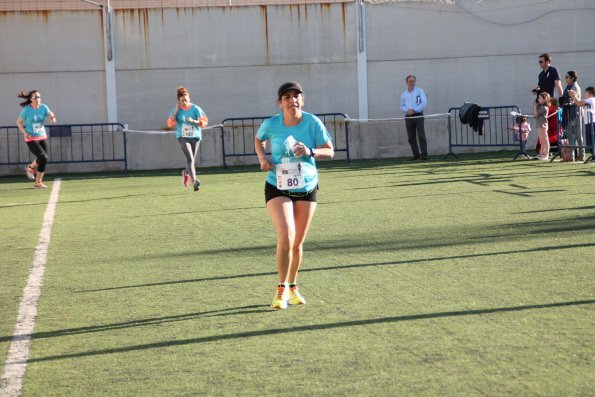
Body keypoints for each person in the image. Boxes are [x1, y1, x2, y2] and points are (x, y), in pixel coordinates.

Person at [254, 81, 334, 310]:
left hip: (307, 187)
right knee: (286, 234)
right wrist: (262, 158)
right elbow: (258, 139)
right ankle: (280, 290)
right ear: (280, 103)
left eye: (296, 96)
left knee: (297, 243)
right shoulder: (272, 124)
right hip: (277, 185)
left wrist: (310, 151)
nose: (292, 101)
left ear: (302, 99)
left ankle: (293, 286)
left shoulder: (312, 122)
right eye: (287, 97)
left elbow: (330, 150)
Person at [166, 86, 208, 191]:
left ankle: (185, 173)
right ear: (179, 101)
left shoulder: (196, 108)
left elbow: (204, 123)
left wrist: (194, 121)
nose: (184, 102)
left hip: (195, 136)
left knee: (192, 160)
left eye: (186, 100)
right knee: (190, 158)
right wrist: (176, 111)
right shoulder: (176, 110)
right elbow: (170, 123)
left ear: (189, 99)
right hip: (183, 137)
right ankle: (195, 181)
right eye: (182, 101)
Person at [16, 90, 56, 189]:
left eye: (39, 97)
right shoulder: (27, 110)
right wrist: (25, 133)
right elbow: (18, 122)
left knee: (42, 158)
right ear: (30, 99)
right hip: (30, 138)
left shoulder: (44, 107)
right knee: (44, 157)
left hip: (42, 136)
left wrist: (52, 117)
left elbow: (52, 119)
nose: (37, 99)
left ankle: (30, 169)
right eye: (35, 97)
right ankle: (38, 182)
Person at [400, 75, 428, 160]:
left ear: (415, 82)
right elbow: (402, 106)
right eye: (409, 81)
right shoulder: (404, 94)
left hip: (418, 115)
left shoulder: (420, 91)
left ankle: (424, 155)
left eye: (413, 81)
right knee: (411, 137)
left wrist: (414, 110)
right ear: (406, 82)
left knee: (421, 136)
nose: (411, 83)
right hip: (408, 117)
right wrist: (407, 110)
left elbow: (423, 103)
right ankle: (416, 155)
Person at [561, 71, 583, 161]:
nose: (565, 78)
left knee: (578, 136)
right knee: (570, 136)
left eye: (567, 77)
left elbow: (573, 100)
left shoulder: (575, 87)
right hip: (568, 114)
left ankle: (581, 156)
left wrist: (565, 101)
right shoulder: (568, 87)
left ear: (572, 78)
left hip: (575, 114)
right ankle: (571, 157)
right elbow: (565, 99)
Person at [568, 86, 595, 158]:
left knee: (591, 141)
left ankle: (594, 156)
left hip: (591, 123)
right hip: (590, 122)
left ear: (589, 93)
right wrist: (575, 96)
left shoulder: (590, 99)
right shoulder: (592, 100)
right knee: (590, 141)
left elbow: (579, 103)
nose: (584, 94)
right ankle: (593, 156)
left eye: (585, 93)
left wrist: (573, 96)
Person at [533, 92, 551, 160]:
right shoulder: (539, 106)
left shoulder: (544, 108)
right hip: (539, 125)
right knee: (541, 141)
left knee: (545, 140)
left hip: (543, 125)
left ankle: (545, 154)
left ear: (545, 99)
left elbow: (536, 115)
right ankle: (541, 154)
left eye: (540, 98)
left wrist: (534, 107)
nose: (538, 99)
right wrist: (535, 106)